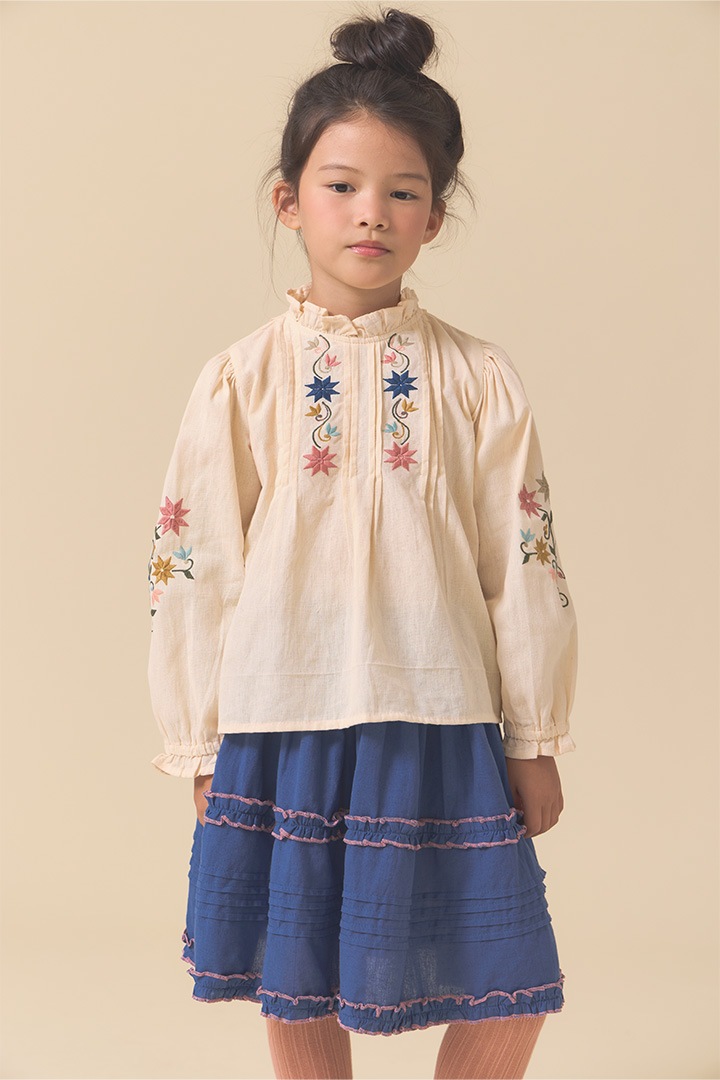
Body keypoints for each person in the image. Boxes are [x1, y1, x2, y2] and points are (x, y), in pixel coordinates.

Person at [146, 7, 579, 1079]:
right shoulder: (239, 380)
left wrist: (533, 734)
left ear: (436, 216)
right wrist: (199, 742)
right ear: (289, 201)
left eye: (404, 191)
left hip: (441, 718)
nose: (371, 213)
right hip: (280, 719)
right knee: (296, 976)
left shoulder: (478, 379)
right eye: (340, 185)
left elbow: (521, 565)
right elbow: (196, 569)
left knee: (505, 980)